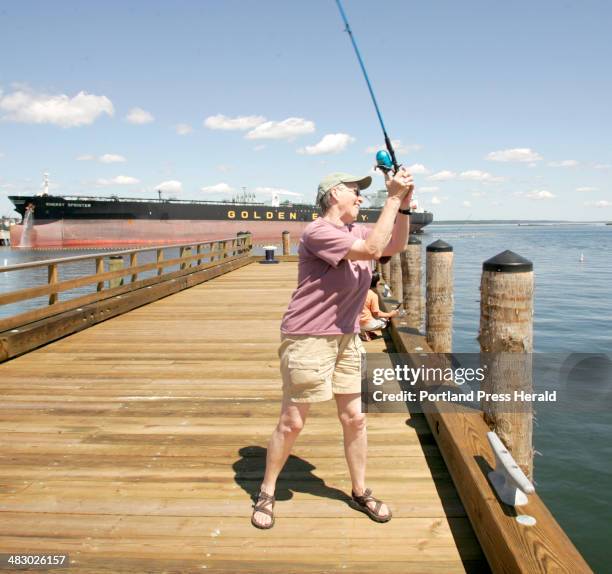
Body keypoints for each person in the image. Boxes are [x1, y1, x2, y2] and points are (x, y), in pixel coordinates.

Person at [251, 167, 414, 529]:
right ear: (333, 194)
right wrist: (389, 197)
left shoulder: (354, 230)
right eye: (354, 191)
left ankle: (360, 490)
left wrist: (402, 207)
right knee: (293, 422)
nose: (359, 198)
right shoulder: (319, 231)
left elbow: (393, 245)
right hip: (309, 337)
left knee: (356, 418)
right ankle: (266, 490)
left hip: (347, 337)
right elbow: (372, 248)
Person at [359, 271, 399, 341]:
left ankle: (364, 332)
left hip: (356, 323)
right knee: (385, 322)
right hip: (366, 324)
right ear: (376, 283)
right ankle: (365, 331)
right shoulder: (373, 295)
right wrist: (390, 314)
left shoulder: (358, 292)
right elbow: (376, 313)